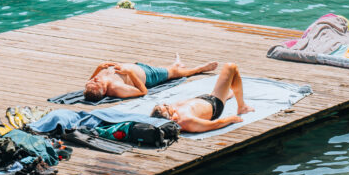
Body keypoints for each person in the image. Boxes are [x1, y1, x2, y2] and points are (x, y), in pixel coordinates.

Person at [151, 62, 253, 132]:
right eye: (167, 107)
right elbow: (214, 124)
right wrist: (231, 119)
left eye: (164, 104)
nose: (167, 104)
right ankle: (242, 106)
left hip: (202, 99)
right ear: (171, 118)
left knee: (228, 89)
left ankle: (226, 95)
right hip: (214, 104)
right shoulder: (187, 121)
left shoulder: (168, 112)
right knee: (231, 67)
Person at [84, 57, 217, 102]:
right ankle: (199, 69)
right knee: (174, 73)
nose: (94, 79)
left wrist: (98, 69)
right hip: (148, 76)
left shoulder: (92, 85)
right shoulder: (117, 88)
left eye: (91, 81)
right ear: (104, 90)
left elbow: (91, 82)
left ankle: (177, 64)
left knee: (171, 69)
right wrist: (130, 72)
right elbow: (143, 91)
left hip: (138, 67)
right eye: (96, 81)